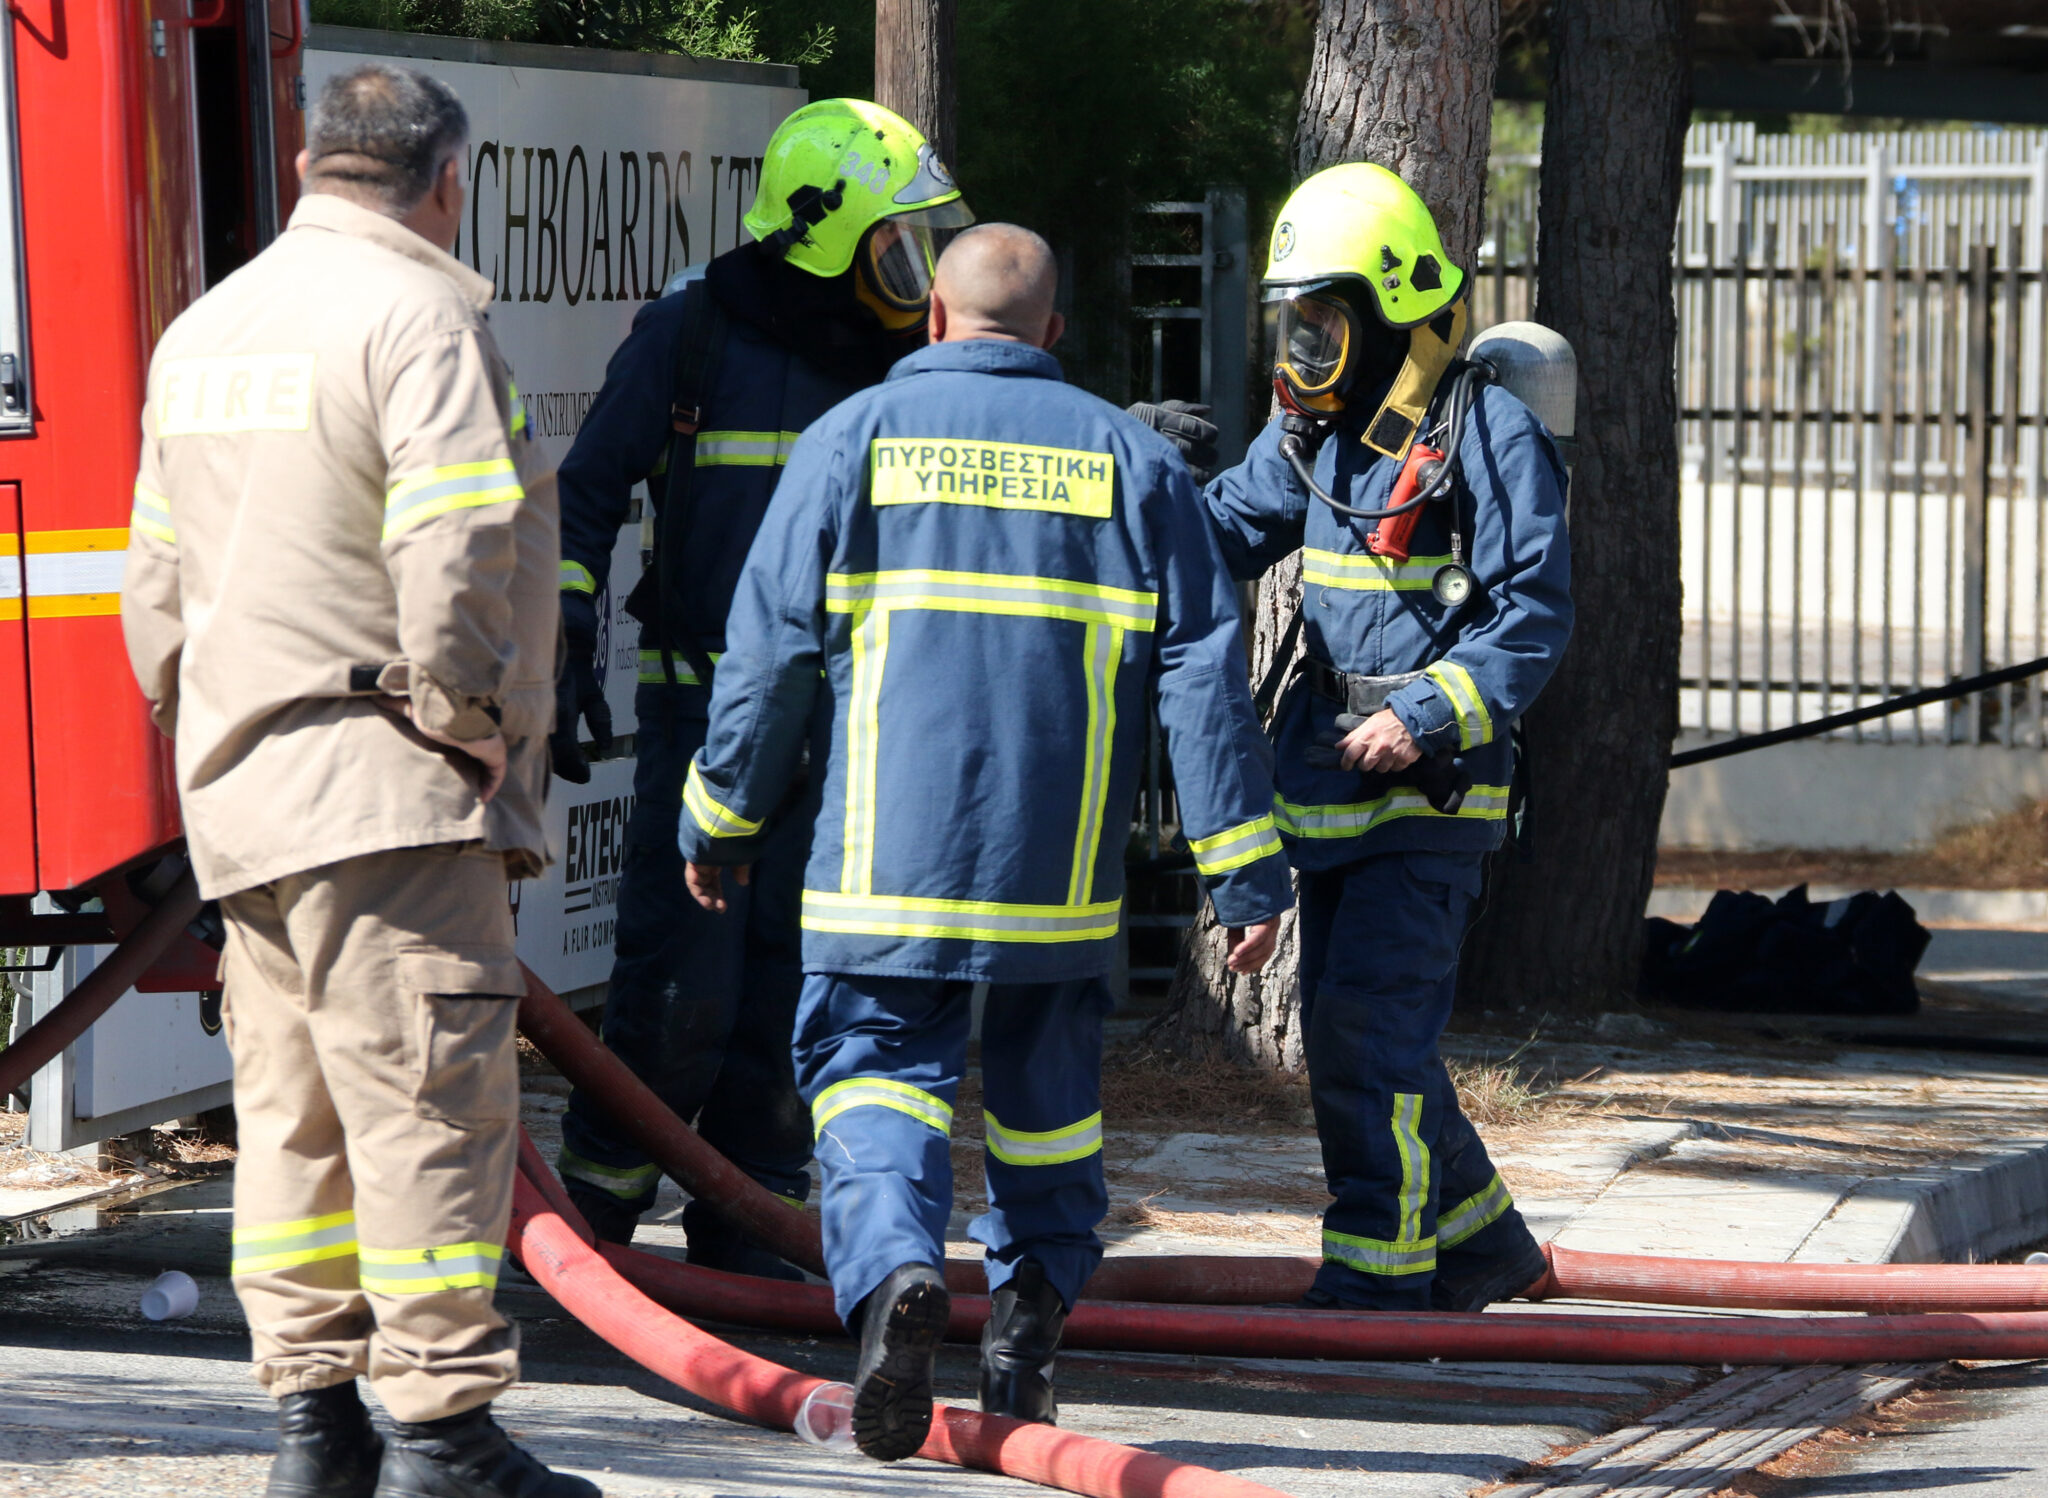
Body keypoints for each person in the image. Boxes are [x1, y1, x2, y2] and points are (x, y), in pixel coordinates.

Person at [678, 224, 1293, 1461]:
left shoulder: (846, 443)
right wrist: (1241, 870)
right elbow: (1203, 684)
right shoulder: (1132, 460)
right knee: (1047, 1115)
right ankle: (1024, 1340)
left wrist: (721, 816)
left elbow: (767, 655)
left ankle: (899, 1276)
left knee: (867, 1075)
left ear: (933, 321)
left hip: (876, 870)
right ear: (1053, 334)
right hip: (1054, 882)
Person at [121, 65, 595, 1498]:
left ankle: (312, 1436)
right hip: (388, 788)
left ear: (314, 168)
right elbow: (458, 540)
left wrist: (210, 737)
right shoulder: (423, 312)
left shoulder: (203, 332)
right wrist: (465, 724)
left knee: (293, 1120)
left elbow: (152, 593)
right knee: (427, 1111)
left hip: (246, 796)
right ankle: (444, 1437)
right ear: (446, 177)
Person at [549, 100, 972, 1269]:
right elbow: (587, 490)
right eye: (897, 245)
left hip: (856, 725)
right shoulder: (694, 331)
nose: (919, 273)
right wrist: (565, 620)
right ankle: (595, 1223)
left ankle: (753, 1224)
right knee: (675, 987)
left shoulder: (915, 360)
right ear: (819, 234)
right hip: (705, 718)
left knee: (800, 981)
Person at [1195, 162, 1573, 1314]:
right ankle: (1487, 1243)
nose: (1303, 347)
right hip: (1329, 794)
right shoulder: (1310, 436)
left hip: (1432, 798)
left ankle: (1378, 1269)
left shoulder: (1487, 428)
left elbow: (1534, 612)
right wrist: (1135, 483)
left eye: (1322, 321)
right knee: (1362, 1039)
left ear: (1387, 310)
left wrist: (1423, 714)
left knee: (1366, 1029)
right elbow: (1220, 532)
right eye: (1293, 322)